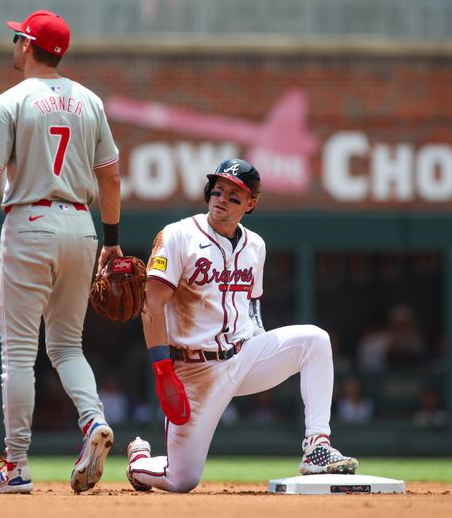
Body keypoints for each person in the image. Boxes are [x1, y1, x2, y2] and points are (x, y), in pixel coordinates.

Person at [0, 10, 122, 494]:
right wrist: (114, 240)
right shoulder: (91, 101)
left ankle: (16, 464)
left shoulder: (10, 101)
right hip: (83, 226)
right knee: (66, 346)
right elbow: (111, 176)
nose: (14, 45)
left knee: (18, 355)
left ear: (26, 44)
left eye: (17, 38)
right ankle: (93, 419)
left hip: (31, 221)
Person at [126, 158, 358, 493]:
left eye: (234, 197)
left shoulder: (256, 245)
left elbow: (251, 304)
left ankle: (317, 448)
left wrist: (262, 349)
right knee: (182, 479)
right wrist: (163, 371)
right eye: (217, 191)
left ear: (250, 204)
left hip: (241, 354)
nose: (221, 199)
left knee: (315, 340)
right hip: (193, 370)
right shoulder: (178, 235)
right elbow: (152, 304)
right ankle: (139, 460)